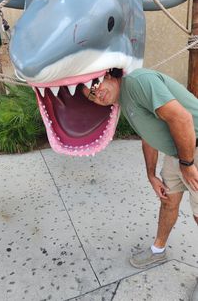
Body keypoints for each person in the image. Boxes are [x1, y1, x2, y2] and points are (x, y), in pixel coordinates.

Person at [82, 67, 198, 299]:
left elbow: (182, 118)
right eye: (91, 96)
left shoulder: (137, 82)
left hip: (192, 151)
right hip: (177, 154)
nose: (97, 94)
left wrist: (187, 164)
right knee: (167, 202)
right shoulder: (123, 102)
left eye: (95, 86)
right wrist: (151, 174)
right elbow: (149, 136)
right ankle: (158, 250)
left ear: (107, 75)